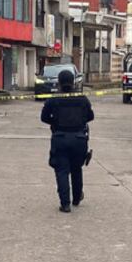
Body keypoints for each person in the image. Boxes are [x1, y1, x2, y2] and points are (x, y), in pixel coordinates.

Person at [41, 69, 94, 213]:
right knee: (76, 169)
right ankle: (77, 198)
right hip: (79, 139)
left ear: (59, 81)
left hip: (60, 138)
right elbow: (91, 116)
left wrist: (56, 123)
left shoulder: (54, 98)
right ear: (73, 82)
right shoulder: (82, 98)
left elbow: (44, 117)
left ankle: (65, 204)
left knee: (62, 171)